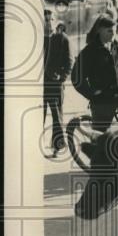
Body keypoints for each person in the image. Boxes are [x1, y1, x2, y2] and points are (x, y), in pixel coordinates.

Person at [43, 10, 73, 154]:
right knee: (38, 116)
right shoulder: (37, 39)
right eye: (45, 20)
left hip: (55, 85)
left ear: (56, 21)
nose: (48, 23)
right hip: (40, 86)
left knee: (57, 117)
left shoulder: (62, 39)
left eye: (51, 20)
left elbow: (69, 62)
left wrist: (61, 77)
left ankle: (57, 146)